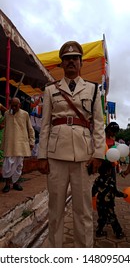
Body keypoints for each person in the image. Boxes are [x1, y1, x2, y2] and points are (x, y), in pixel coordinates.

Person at [37, 40, 105, 248]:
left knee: (83, 210)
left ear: (81, 62)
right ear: (62, 64)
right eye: (67, 59)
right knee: (55, 209)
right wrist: (42, 156)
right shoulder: (50, 90)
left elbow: (99, 124)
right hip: (56, 156)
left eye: (75, 58)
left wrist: (99, 154)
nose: (71, 62)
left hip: (83, 157)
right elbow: (45, 124)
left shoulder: (93, 90)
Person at [1, 97, 35, 192]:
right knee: (7, 165)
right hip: (9, 144)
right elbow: (5, 130)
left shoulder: (25, 114)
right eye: (13, 106)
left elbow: (30, 129)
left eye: (16, 106)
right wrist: (3, 144)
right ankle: (7, 184)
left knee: (19, 165)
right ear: (10, 105)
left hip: (21, 144)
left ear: (19, 105)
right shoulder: (7, 114)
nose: (14, 108)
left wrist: (31, 141)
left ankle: (16, 183)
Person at [92, 160, 127, 239]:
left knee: (102, 217)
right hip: (108, 204)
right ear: (109, 170)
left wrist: (93, 197)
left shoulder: (97, 179)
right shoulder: (110, 180)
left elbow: (93, 191)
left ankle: (99, 231)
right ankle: (119, 233)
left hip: (99, 203)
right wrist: (123, 195)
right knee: (112, 217)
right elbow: (115, 192)